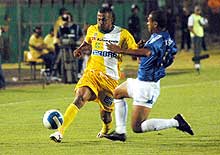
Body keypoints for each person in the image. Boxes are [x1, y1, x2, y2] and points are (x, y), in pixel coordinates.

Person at [103, 10, 194, 142]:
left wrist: (121, 50)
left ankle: (176, 122)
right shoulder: (164, 37)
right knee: (117, 93)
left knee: (137, 127)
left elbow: (147, 53)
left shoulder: (159, 39)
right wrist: (141, 50)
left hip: (146, 87)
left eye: (149, 21)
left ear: (155, 23)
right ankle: (120, 132)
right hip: (142, 81)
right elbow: (160, 56)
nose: (147, 23)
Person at [49, 7, 137, 143]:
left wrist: (126, 50)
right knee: (80, 97)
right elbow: (88, 41)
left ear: (111, 19)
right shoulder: (92, 29)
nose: (100, 22)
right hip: (91, 74)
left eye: (104, 19)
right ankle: (59, 132)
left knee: (106, 116)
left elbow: (134, 52)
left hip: (110, 79)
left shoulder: (123, 34)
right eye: (99, 19)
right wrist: (80, 48)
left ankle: (105, 129)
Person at [188, 5, 208, 73]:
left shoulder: (200, 17)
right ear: (195, 10)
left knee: (198, 50)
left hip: (200, 35)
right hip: (195, 36)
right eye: (197, 10)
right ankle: (197, 65)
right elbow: (190, 27)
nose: (198, 11)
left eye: (199, 10)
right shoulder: (191, 17)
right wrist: (194, 34)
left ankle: (197, 64)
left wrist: (205, 22)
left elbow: (205, 25)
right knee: (196, 50)